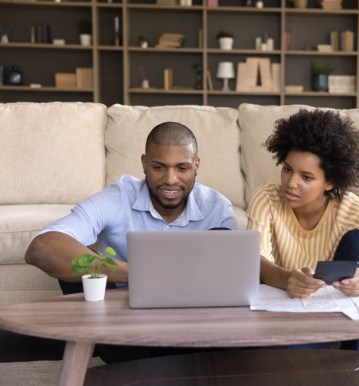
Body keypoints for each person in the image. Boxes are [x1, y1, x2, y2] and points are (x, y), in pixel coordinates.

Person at [25, 121, 238, 362]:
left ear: (196, 165)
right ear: (144, 163)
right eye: (159, 167)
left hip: (189, 322)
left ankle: (145, 370)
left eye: (182, 168)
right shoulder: (118, 197)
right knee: (77, 269)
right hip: (122, 322)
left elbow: (229, 280)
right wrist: (139, 273)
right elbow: (41, 247)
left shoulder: (217, 208)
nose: (170, 179)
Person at [246, 109, 359, 351]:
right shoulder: (267, 198)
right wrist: (287, 279)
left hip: (337, 316)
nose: (291, 182)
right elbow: (255, 259)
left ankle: (351, 357)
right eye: (287, 169)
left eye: (306, 177)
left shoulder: (348, 206)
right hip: (286, 313)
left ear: (330, 182)